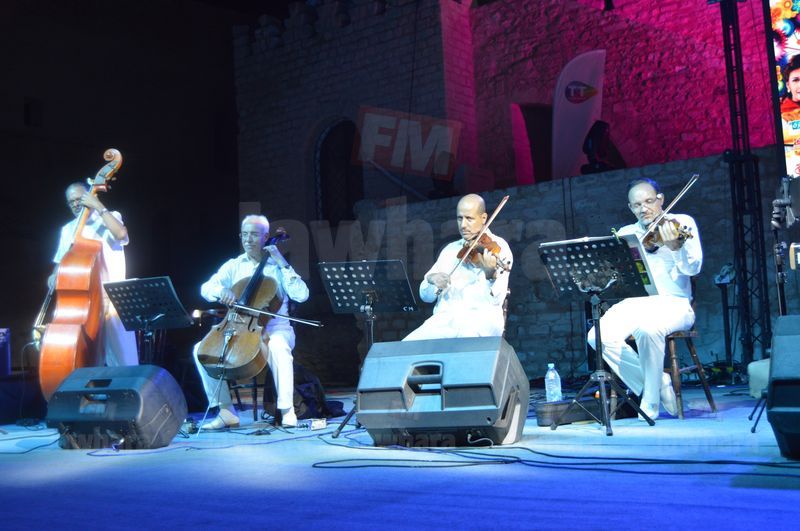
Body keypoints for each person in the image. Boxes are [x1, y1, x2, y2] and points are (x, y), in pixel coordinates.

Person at [588, 178, 702, 420]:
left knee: (648, 329)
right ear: (631, 208)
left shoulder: (680, 223)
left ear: (661, 200)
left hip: (674, 303)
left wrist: (676, 248)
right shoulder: (625, 234)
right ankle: (658, 382)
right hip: (636, 303)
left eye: (649, 201)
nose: (644, 209)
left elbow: (693, 268)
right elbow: (615, 278)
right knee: (596, 336)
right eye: (637, 205)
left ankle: (649, 400)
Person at [193, 215, 309, 429]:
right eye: (244, 234)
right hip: (240, 329)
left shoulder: (277, 266)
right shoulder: (234, 265)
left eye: (254, 234)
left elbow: (301, 295)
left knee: (277, 346)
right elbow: (205, 288)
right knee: (200, 350)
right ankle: (226, 411)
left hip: (275, 328)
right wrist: (221, 291)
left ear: (266, 237)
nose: (248, 239)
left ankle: (287, 410)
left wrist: (282, 262)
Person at [49, 181, 138, 367]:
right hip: (84, 304)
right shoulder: (68, 229)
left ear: (89, 196)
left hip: (113, 300)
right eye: (70, 202)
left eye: (79, 199)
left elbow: (121, 234)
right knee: (90, 363)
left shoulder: (110, 217)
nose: (75, 204)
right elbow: (61, 262)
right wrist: (54, 275)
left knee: (125, 363)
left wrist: (98, 205)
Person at [403, 194, 512, 341]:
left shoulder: (498, 247)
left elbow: (496, 301)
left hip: (480, 321)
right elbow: (426, 297)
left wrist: (490, 275)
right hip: (444, 322)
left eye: (469, 219)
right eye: (460, 218)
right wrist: (431, 279)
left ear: (483, 218)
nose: (463, 225)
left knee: (463, 346)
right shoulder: (450, 250)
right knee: (405, 346)